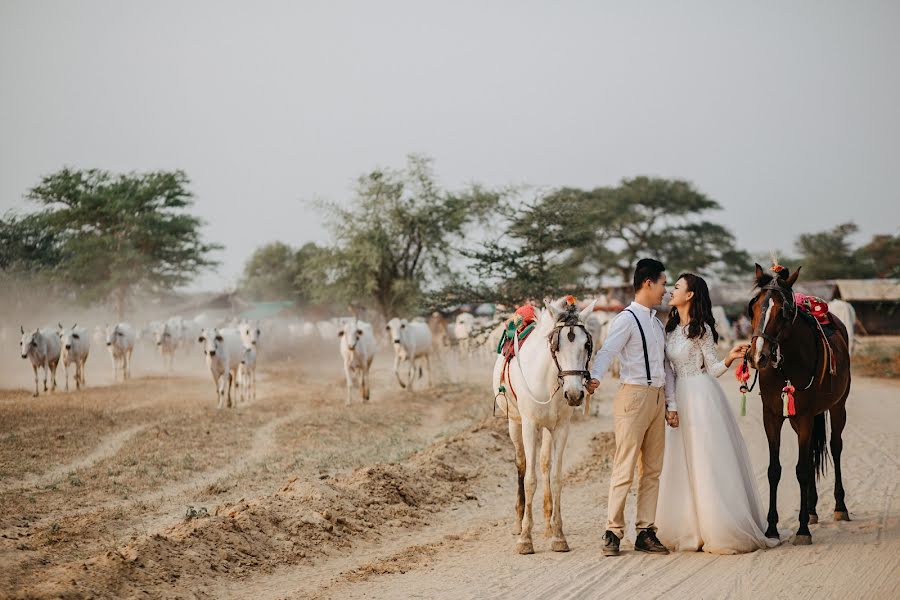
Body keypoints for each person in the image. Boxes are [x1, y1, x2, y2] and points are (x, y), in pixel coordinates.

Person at [655, 273, 780, 554]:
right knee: (680, 461)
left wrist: (731, 356)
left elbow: (712, 368)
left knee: (706, 460)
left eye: (676, 287)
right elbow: (668, 371)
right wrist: (670, 404)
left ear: (690, 295)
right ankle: (689, 527)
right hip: (680, 397)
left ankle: (718, 527)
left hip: (701, 395)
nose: (671, 291)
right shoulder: (671, 328)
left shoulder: (702, 329)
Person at [586, 258, 673, 556]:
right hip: (633, 396)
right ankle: (613, 531)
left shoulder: (655, 322)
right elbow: (607, 350)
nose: (665, 290)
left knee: (652, 470)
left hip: (657, 397)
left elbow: (665, 365)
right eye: (663, 283)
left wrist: (670, 404)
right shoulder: (627, 318)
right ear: (648, 282)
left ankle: (646, 531)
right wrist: (595, 377)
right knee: (624, 465)